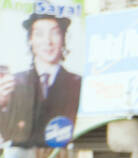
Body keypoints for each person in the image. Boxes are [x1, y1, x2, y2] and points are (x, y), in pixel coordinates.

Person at [0, 5, 82, 148]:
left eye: (55, 33)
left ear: (63, 38)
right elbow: (6, 134)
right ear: (30, 40)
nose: (47, 41)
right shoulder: (14, 82)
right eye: (39, 34)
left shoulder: (78, 83)